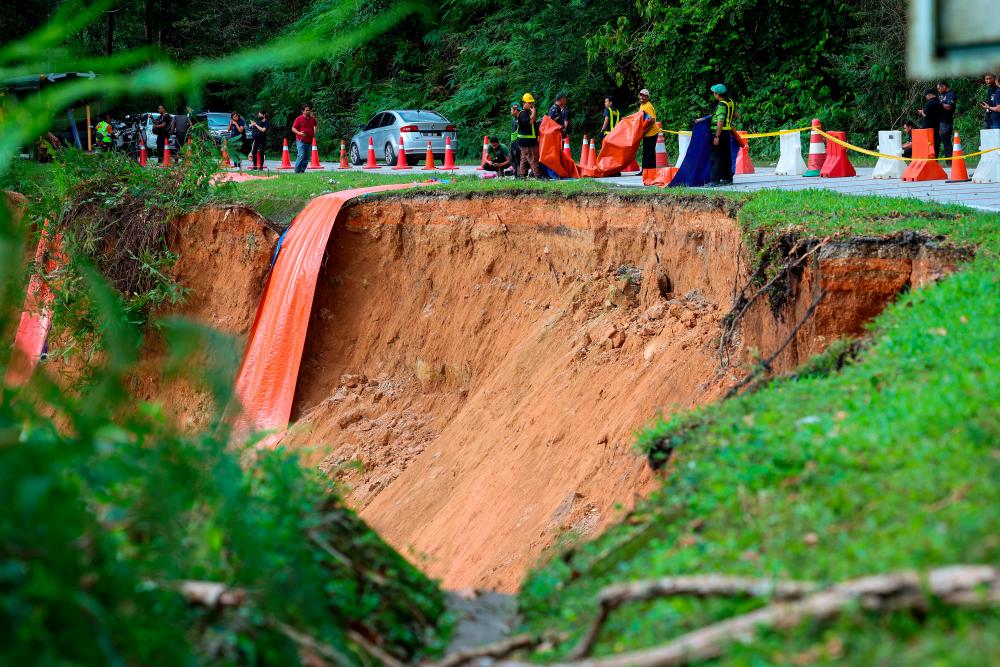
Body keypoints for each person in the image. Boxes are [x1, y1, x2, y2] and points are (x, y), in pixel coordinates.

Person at [705, 83, 736, 187]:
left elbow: (720, 121)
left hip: (720, 133)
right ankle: (727, 179)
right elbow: (735, 115)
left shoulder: (722, 105)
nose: (713, 94)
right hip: (727, 133)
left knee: (716, 157)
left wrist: (717, 136)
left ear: (717, 94)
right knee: (726, 156)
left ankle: (715, 181)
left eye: (714, 92)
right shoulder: (730, 102)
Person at [516, 93, 544, 178]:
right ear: (524, 103)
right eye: (530, 102)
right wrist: (534, 112)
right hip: (527, 142)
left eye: (532, 102)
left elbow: (532, 123)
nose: (532, 104)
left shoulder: (527, 113)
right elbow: (529, 122)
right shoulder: (523, 113)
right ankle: (538, 176)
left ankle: (522, 175)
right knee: (533, 158)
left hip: (526, 141)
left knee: (524, 159)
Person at [291, 103, 318, 173]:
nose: (308, 111)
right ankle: (296, 171)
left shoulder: (312, 119)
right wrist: (299, 133)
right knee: (301, 155)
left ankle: (302, 171)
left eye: (309, 110)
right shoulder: (299, 119)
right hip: (300, 140)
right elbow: (293, 128)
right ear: (303, 111)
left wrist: (314, 132)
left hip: (309, 141)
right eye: (306, 110)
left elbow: (315, 125)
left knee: (306, 157)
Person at [917, 88, 943, 158]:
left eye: (926, 96)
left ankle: (929, 161)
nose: (926, 98)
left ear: (929, 95)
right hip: (937, 127)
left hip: (928, 129)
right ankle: (935, 161)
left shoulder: (930, 102)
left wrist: (922, 111)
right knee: (935, 145)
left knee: (928, 145)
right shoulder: (939, 102)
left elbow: (925, 114)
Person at [638, 88, 659, 170]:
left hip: (652, 133)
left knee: (648, 152)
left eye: (643, 96)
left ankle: (645, 170)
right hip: (647, 133)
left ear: (647, 97)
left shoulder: (649, 106)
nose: (642, 97)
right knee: (649, 152)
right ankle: (650, 170)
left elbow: (652, 121)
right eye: (641, 95)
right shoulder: (642, 105)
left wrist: (645, 131)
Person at [936, 80, 956, 158]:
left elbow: (949, 106)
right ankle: (936, 162)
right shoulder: (941, 95)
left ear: (943, 86)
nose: (938, 90)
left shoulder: (951, 94)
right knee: (937, 141)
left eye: (939, 88)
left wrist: (938, 104)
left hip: (946, 122)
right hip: (938, 121)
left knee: (946, 141)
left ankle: (949, 162)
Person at [509, 101, 522, 177]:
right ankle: (516, 173)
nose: (511, 111)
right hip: (513, 142)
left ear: (515, 109)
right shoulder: (514, 119)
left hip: (518, 142)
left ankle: (519, 174)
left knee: (518, 159)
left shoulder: (520, 119)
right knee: (512, 159)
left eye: (511, 109)